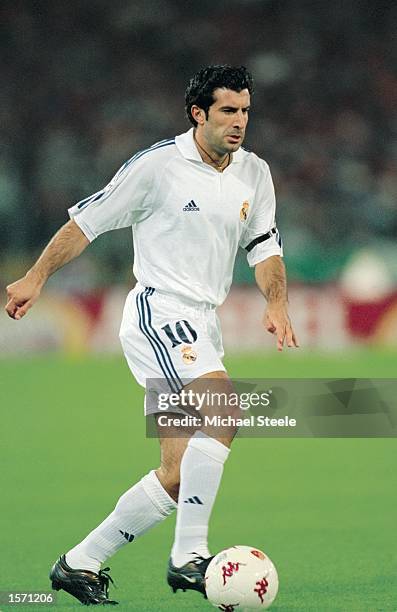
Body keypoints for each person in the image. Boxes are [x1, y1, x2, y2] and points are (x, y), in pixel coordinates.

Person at [5, 65, 298, 605]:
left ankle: (79, 563)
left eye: (245, 111)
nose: (239, 122)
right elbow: (85, 223)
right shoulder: (158, 167)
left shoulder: (254, 173)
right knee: (225, 413)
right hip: (159, 313)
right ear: (198, 113)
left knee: (177, 474)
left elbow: (264, 248)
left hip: (202, 323)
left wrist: (276, 302)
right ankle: (189, 558)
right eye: (228, 111)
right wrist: (36, 276)